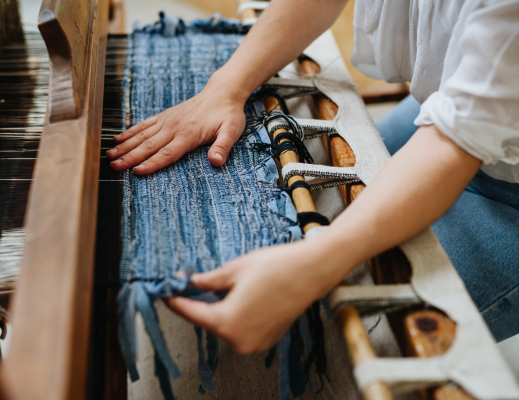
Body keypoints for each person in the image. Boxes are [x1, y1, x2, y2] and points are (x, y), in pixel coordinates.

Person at [105, 0, 519, 351]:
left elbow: (456, 140)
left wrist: (313, 264)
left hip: (505, 179)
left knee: (336, 339)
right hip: (467, 100)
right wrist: (224, 89)